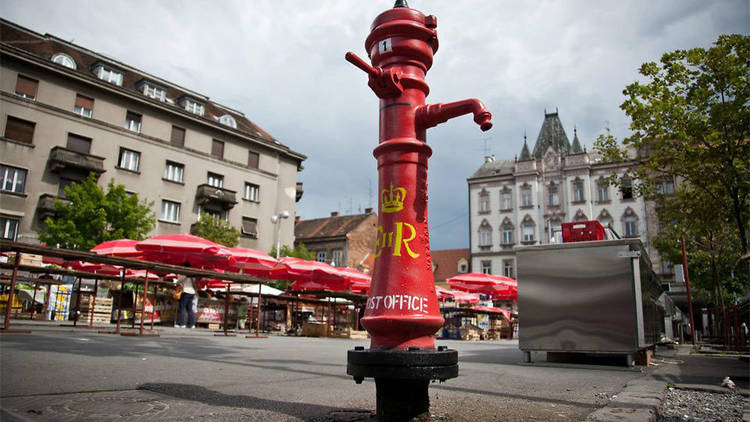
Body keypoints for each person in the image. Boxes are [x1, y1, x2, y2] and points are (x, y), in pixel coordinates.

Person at [177, 262, 196, 328]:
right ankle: (192, 324)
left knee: (182, 308)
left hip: (185, 291)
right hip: (192, 292)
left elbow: (178, 281)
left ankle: (182, 324)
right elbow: (194, 283)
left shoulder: (183, 273)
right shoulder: (193, 275)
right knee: (190, 309)